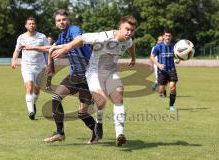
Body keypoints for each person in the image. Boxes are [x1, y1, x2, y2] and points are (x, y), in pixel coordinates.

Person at [49, 15, 136, 147]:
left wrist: (133, 58)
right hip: (94, 72)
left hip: (111, 72)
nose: (129, 33)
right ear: (120, 27)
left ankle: (120, 134)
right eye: (127, 29)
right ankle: (99, 124)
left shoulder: (128, 40)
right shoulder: (104, 36)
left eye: (132, 30)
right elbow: (81, 39)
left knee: (119, 95)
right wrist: (66, 48)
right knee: (100, 102)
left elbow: (131, 46)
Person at [43, 9, 102, 144]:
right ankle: (60, 133)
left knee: (82, 113)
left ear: (68, 20)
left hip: (89, 76)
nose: (61, 22)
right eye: (58, 20)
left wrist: (65, 49)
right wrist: (30, 48)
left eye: (64, 19)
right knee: (56, 97)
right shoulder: (62, 36)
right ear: (55, 23)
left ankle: (96, 132)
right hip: (74, 75)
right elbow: (51, 48)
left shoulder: (74, 29)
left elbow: (78, 40)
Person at [11, 17, 49, 120]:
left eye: (33, 23)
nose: (31, 25)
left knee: (37, 91)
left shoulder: (42, 37)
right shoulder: (21, 37)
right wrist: (13, 60)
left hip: (40, 67)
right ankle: (31, 111)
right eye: (29, 24)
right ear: (26, 26)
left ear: (35, 25)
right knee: (29, 87)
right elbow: (17, 50)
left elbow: (48, 49)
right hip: (27, 66)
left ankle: (33, 103)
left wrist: (49, 64)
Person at [150, 29, 181, 111]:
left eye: (169, 36)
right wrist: (159, 65)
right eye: (166, 35)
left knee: (172, 87)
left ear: (171, 37)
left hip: (172, 69)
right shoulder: (158, 46)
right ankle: (159, 88)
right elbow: (152, 57)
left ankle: (171, 106)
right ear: (163, 36)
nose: (168, 37)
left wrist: (178, 60)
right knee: (161, 90)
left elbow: (178, 55)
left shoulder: (174, 46)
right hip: (162, 71)